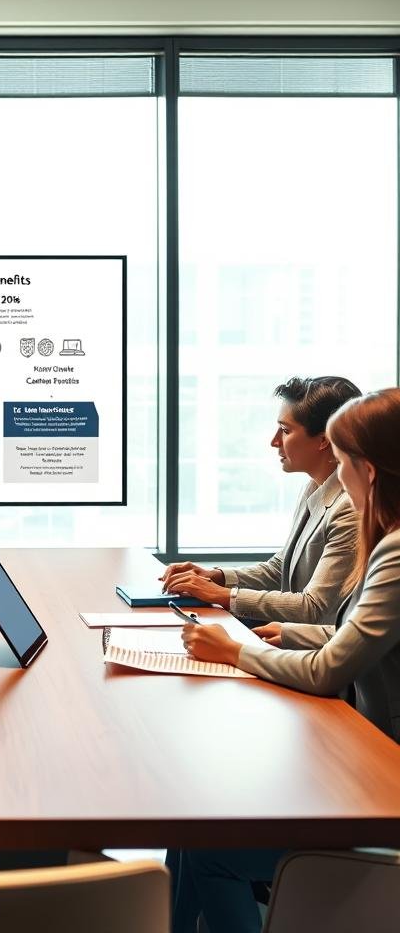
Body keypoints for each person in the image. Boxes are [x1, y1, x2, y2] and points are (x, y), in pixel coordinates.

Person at [171, 387, 400, 933]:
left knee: (208, 850)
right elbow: (363, 633)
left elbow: (328, 670)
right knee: (190, 829)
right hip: (364, 756)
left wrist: (235, 650)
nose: (338, 479)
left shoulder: (394, 548)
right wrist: (289, 632)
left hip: (381, 772)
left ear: (367, 470)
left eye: (342, 462)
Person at [162, 376, 361, 625]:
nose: (274, 441)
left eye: (285, 431)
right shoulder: (313, 487)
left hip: (316, 645)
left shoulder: (350, 507)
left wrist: (223, 595)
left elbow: (314, 607)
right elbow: (282, 568)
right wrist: (217, 577)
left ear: (324, 440)